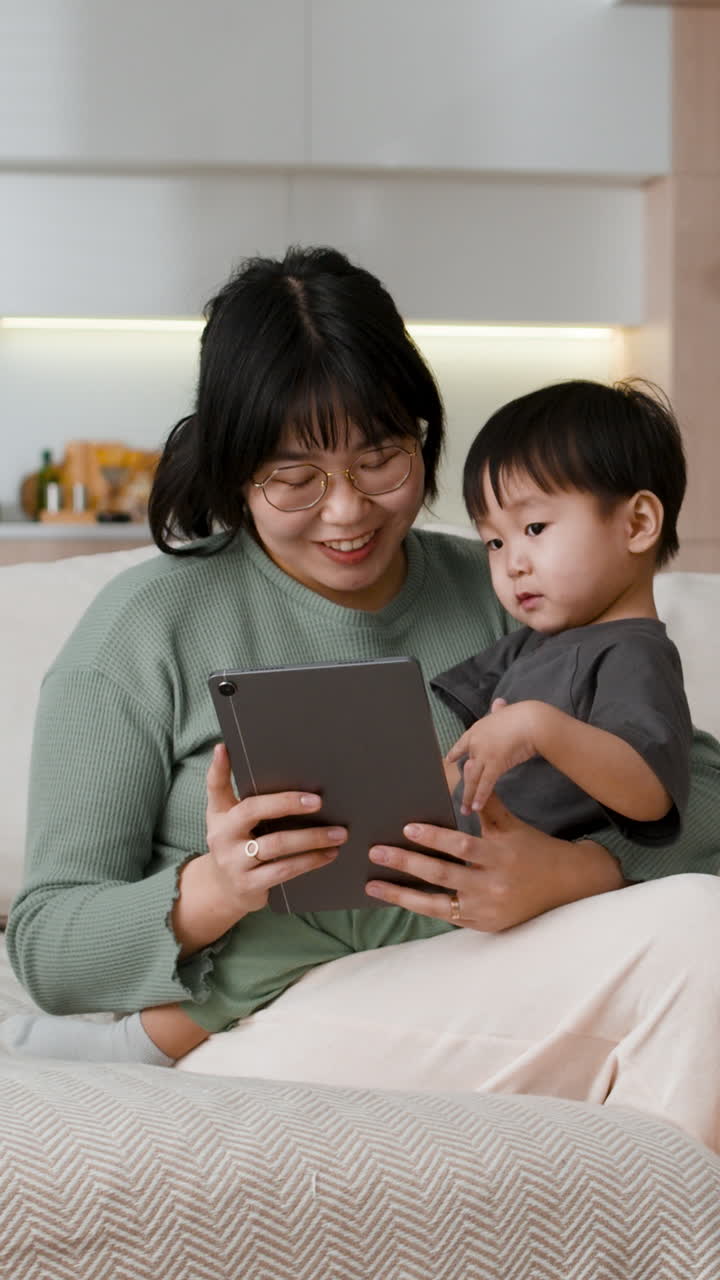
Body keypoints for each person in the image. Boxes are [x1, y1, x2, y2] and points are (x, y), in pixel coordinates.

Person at [1, 248, 719, 1152]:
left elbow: (698, 791)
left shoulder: (513, 586)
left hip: (491, 985)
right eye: (295, 478)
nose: (347, 512)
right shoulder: (147, 627)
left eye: (381, 461)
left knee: (698, 940)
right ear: (233, 469)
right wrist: (214, 891)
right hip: (265, 1021)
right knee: (697, 947)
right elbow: (47, 947)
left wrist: (574, 872)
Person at [432, 380, 693, 859]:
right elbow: (462, 758)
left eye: (534, 528)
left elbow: (651, 794)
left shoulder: (634, 654)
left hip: (532, 885)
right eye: (495, 542)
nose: (513, 563)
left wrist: (538, 727)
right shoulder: (532, 643)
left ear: (636, 524)